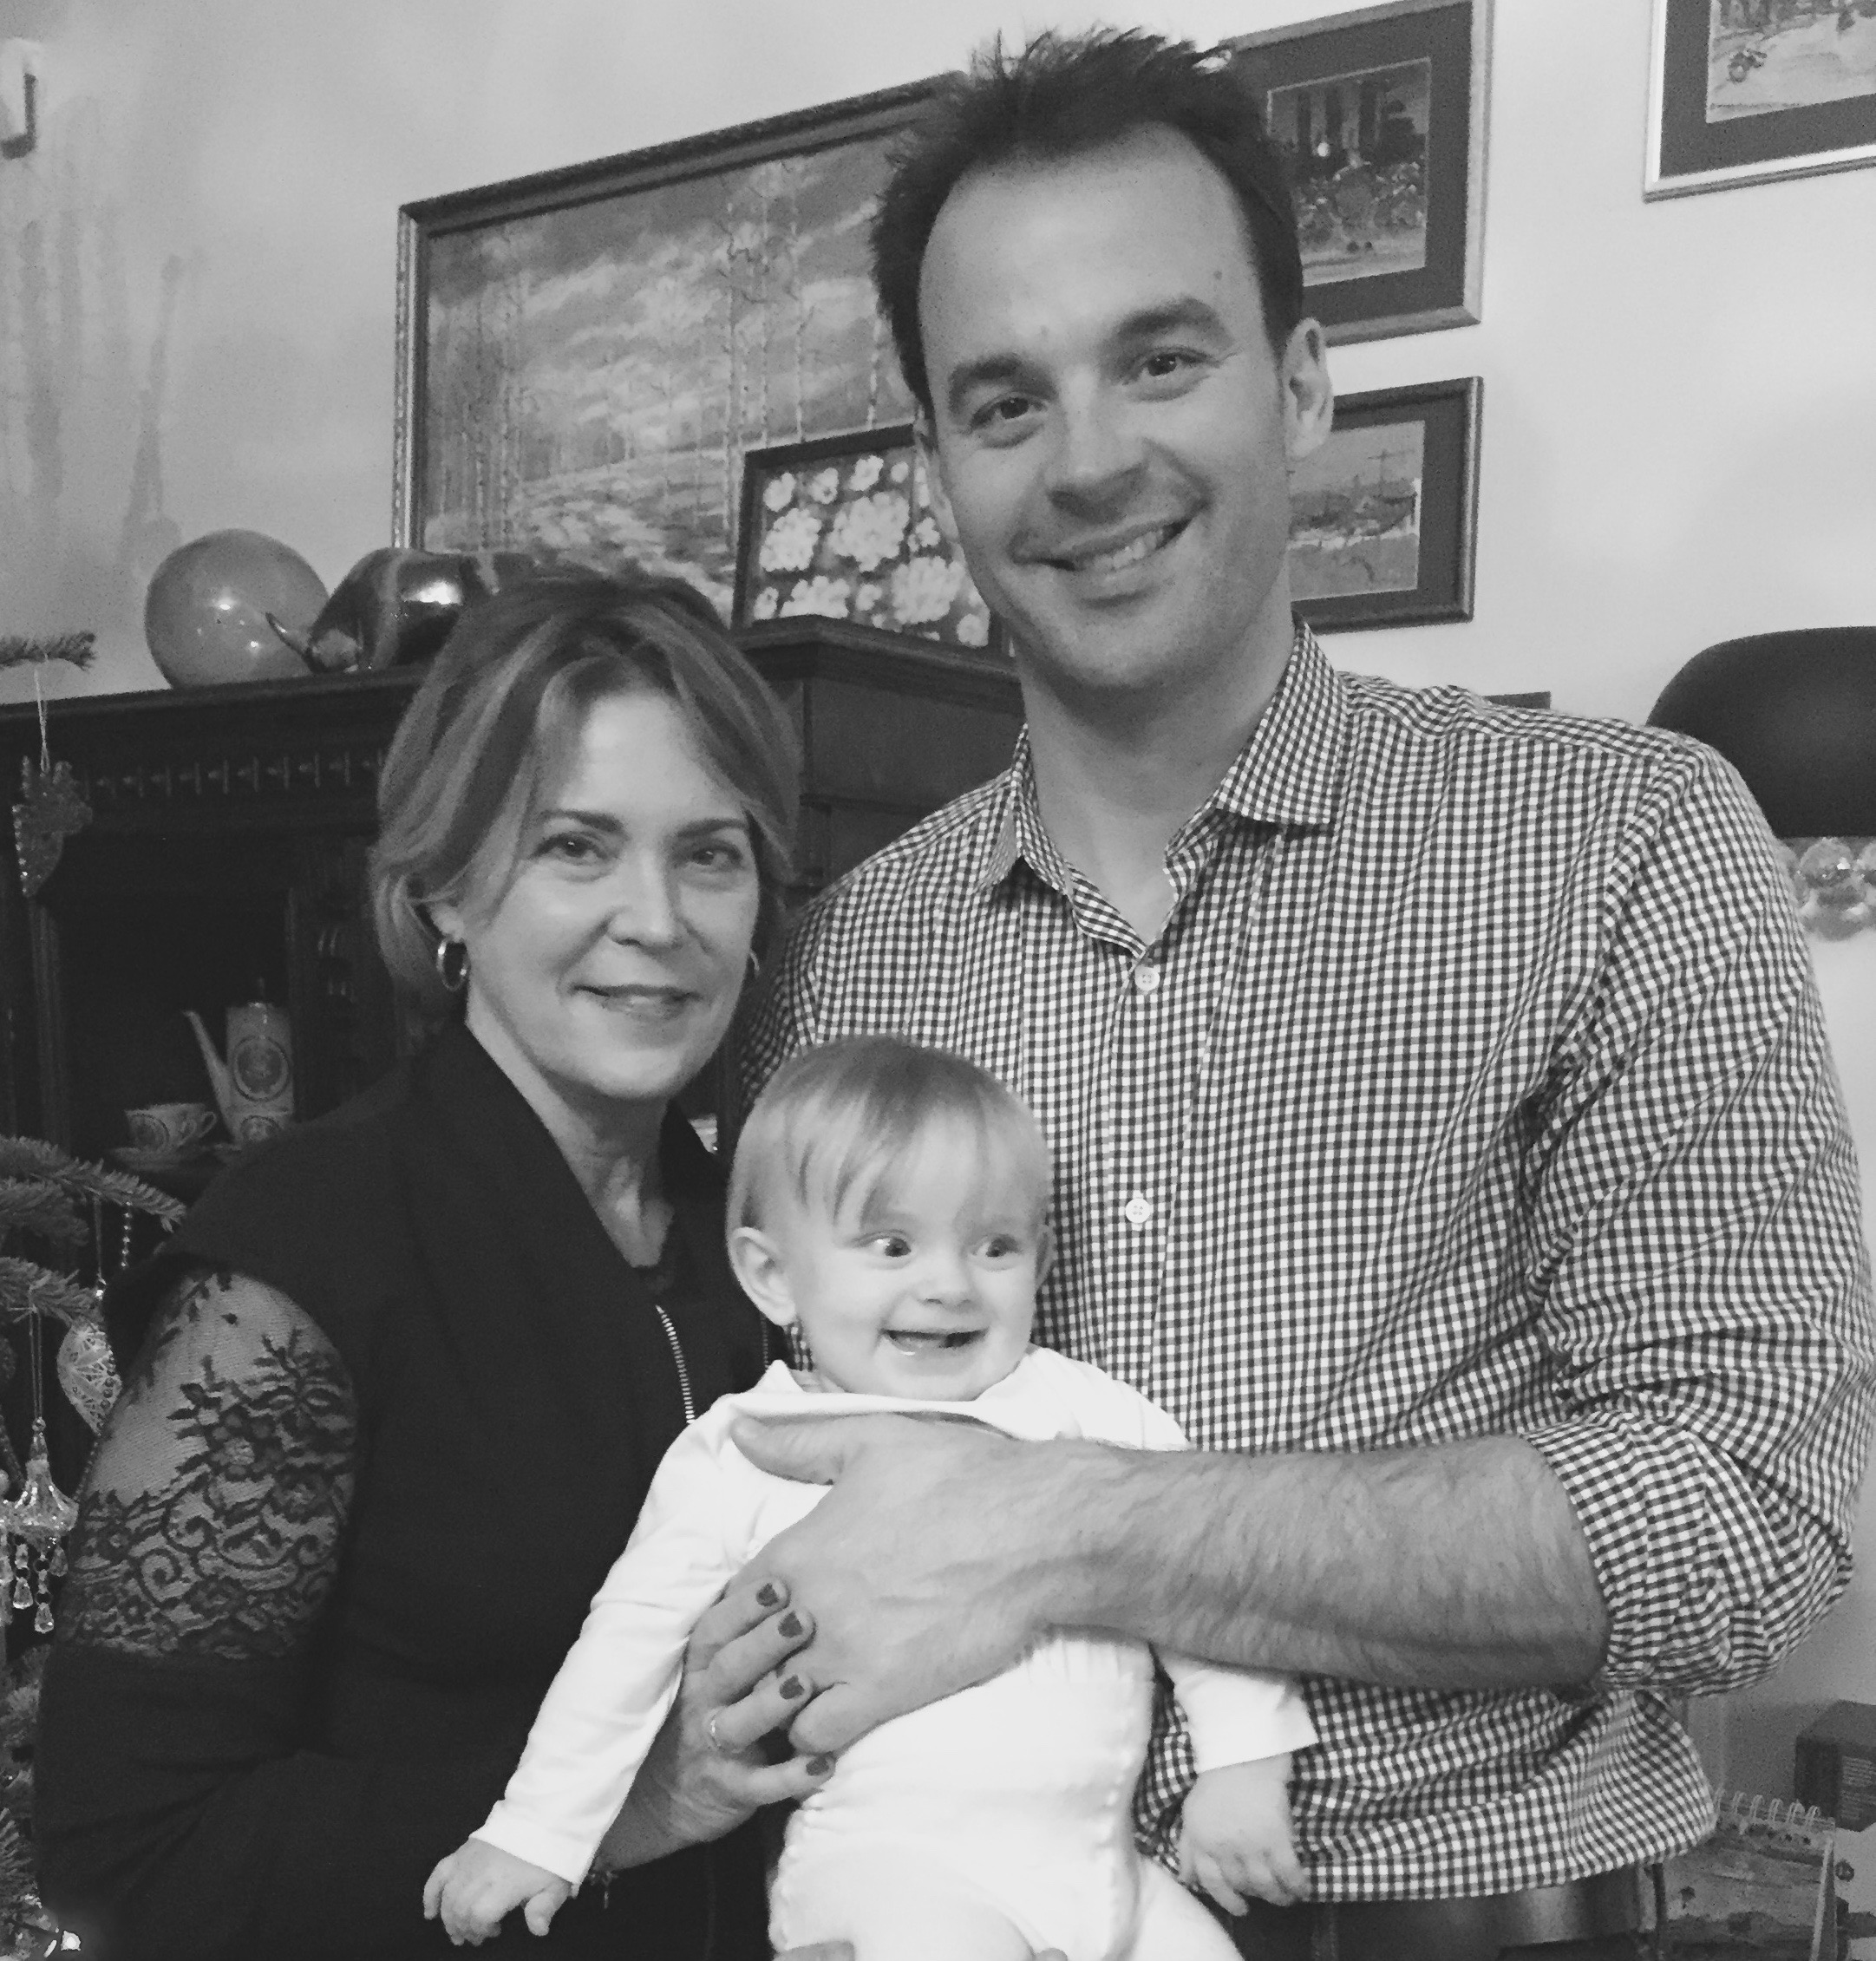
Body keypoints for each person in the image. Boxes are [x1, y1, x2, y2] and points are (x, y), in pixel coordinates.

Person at [731, 29, 1876, 1961]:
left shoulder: (1619, 839)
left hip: (1477, 1915)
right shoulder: (846, 958)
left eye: (1159, 358)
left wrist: (1062, 1524)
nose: (1086, 459)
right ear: (935, 473)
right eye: (1003, 401)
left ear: (1303, 380)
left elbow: (1739, 1504)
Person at [35, 572, 830, 1960]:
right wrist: (611, 1806)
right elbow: (127, 1858)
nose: (656, 917)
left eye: (708, 853)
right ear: (446, 887)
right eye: (576, 846)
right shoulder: (302, 1253)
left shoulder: (757, 1237)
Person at [426, 1036, 1317, 1960]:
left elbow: (1201, 1577)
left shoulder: (1088, 1409)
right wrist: (537, 1829)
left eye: (995, 1245)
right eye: (892, 1245)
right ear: (772, 1275)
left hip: (1104, 1868)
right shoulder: (747, 1445)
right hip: (897, 1874)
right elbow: (627, 1643)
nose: (948, 1283)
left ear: (1042, 1260)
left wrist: (1243, 1762)